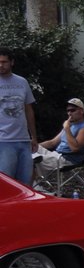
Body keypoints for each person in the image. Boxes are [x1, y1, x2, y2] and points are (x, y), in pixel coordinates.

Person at [0, 47, 38, 186]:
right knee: (7, 184)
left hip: (23, 139)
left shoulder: (22, 82)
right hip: (3, 141)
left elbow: (28, 109)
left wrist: (33, 136)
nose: (1, 65)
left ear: (12, 62)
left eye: (4, 62)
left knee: (25, 182)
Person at [35, 97, 84, 176]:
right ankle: (32, 186)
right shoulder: (69, 125)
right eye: (68, 110)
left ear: (82, 111)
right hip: (56, 155)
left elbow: (75, 148)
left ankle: (29, 187)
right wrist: (34, 146)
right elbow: (52, 143)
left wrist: (66, 128)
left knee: (31, 161)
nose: (69, 113)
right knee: (27, 151)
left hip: (67, 159)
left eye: (73, 110)